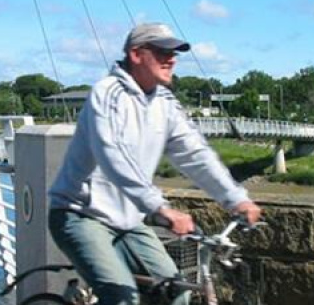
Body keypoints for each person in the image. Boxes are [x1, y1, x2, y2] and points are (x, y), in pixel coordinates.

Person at [47, 23, 262, 305]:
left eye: (174, 53)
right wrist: (160, 209)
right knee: (123, 298)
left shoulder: (165, 102)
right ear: (136, 54)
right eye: (163, 52)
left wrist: (236, 199)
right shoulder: (108, 94)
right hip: (80, 215)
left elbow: (196, 155)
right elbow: (114, 156)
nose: (172, 59)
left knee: (177, 292)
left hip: (129, 222)